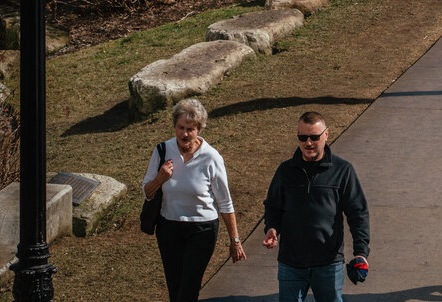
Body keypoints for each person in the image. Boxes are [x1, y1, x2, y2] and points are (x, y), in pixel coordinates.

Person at [142, 98, 247, 302]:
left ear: (199, 129)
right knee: (175, 289)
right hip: (168, 229)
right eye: (180, 127)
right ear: (174, 126)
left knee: (188, 289)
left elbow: (225, 202)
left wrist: (234, 240)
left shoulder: (211, 157)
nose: (184, 134)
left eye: (190, 128)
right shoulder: (162, 151)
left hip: (202, 230)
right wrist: (160, 179)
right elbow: (147, 192)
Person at [263, 111, 370, 302]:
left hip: (328, 263)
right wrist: (272, 228)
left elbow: (357, 212)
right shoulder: (285, 170)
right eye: (302, 137)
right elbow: (273, 206)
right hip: (291, 263)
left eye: (314, 137)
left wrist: (361, 253)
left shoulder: (342, 170)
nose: (308, 143)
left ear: (326, 135)